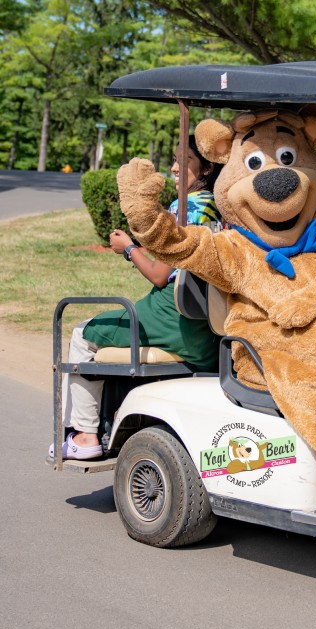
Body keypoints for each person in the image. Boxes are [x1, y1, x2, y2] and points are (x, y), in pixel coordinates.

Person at [50, 136, 223, 461]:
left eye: (184, 160)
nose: (173, 167)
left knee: (82, 334)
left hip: (174, 315)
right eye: (174, 159)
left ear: (207, 167)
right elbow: (171, 260)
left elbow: (160, 274)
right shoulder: (217, 206)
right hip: (206, 325)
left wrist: (129, 249)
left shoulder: (184, 208)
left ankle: (84, 435)